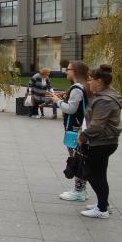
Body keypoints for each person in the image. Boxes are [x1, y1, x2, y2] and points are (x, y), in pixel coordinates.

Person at [77, 65, 122, 219]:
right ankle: (102, 204)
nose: (89, 83)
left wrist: (83, 136)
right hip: (104, 141)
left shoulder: (104, 100)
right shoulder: (106, 95)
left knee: (93, 174)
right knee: (97, 174)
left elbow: (97, 126)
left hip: (101, 142)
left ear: (99, 81)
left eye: (91, 80)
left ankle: (102, 209)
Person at [48, 61, 89, 202]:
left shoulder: (77, 88)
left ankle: (79, 191)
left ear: (75, 71)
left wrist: (56, 101)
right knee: (81, 157)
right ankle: (81, 188)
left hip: (75, 129)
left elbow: (71, 109)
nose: (66, 72)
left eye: (68, 69)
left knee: (77, 158)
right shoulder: (85, 86)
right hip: (82, 128)